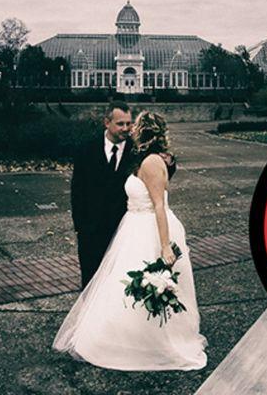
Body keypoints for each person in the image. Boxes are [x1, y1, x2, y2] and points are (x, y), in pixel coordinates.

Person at [53, 111, 207, 371]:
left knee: (145, 284)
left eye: (134, 126)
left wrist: (165, 245)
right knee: (123, 284)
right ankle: (130, 333)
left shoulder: (151, 163)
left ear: (144, 131)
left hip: (149, 228)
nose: (130, 129)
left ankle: (151, 339)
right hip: (133, 227)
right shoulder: (144, 159)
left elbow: (159, 206)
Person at [71, 101, 133, 288]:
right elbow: (77, 191)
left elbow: (161, 169)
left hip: (123, 232)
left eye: (129, 124)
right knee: (90, 283)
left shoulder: (136, 151)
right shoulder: (86, 150)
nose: (126, 128)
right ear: (107, 123)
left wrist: (169, 160)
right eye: (120, 124)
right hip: (91, 232)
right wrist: (81, 226)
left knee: (119, 285)